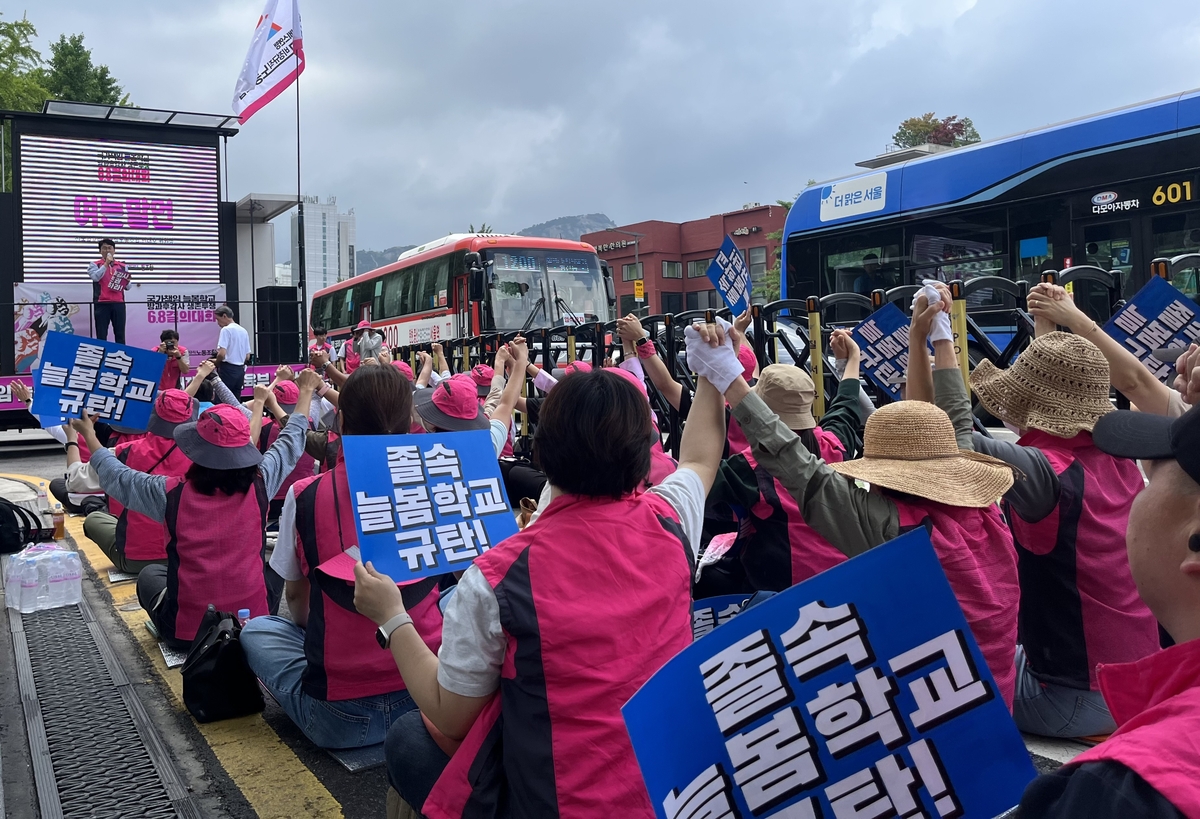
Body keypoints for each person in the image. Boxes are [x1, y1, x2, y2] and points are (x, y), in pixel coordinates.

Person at [357, 362, 726, 817]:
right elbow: (700, 458)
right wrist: (711, 371)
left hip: (555, 806)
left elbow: (450, 714)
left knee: (409, 737)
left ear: (544, 452)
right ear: (643, 449)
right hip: (671, 795)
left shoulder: (496, 575)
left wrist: (392, 618)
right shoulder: (672, 521)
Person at [687, 304, 1022, 709]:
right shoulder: (985, 506)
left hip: (930, 712)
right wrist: (941, 339)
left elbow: (800, 470)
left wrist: (727, 379)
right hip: (993, 693)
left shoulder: (894, 529)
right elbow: (958, 421)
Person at [962, 326, 1159, 738]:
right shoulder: (1119, 462)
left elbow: (960, 439)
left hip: (1070, 698)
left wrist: (940, 341)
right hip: (1136, 683)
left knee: (944, 675)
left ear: (1028, 404)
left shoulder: (1047, 472)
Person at [241, 365, 444, 749]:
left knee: (257, 631)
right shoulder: (435, 481)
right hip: (430, 699)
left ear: (342, 421)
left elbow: (298, 604)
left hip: (341, 718)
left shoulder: (306, 493)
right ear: (410, 422)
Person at [1015, 406, 1200, 818]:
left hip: (1070, 700)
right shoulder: (1108, 472)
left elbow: (951, 438)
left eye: (1152, 477)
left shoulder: (1117, 792)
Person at [76, 370, 320, 649]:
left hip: (185, 634)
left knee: (149, 576)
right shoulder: (262, 483)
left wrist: (86, 433)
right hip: (253, 625)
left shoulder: (168, 493)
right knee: (275, 565)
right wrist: (306, 393)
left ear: (196, 448)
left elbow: (116, 475)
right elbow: (291, 440)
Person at [705, 333, 863, 592]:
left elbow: (696, 476)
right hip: (846, 580)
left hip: (783, 594)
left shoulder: (750, 469)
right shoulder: (835, 445)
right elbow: (847, 404)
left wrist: (710, 376)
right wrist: (850, 359)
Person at [1028, 283, 1191, 418]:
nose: (1178, 376)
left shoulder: (1188, 419)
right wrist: (1047, 325)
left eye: (1193, 365)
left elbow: (1134, 383)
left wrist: (1073, 318)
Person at [83, 390, 196, 574]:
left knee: (94, 517)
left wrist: (79, 436)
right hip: (188, 557)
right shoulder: (204, 458)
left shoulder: (124, 451)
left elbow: (79, 480)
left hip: (137, 559)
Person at [88, 238, 131, 344]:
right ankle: (102, 357)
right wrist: (106, 264)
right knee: (101, 334)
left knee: (120, 334)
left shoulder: (122, 266)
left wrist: (128, 281)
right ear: (100, 251)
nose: (107, 250)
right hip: (102, 303)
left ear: (114, 250)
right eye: (104, 248)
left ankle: (120, 357)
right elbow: (95, 277)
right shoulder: (94, 264)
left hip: (119, 303)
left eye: (110, 248)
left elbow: (128, 287)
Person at [214, 305, 251, 398]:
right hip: (240, 370)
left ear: (224, 316)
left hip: (228, 369)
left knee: (222, 399)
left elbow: (222, 353)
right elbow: (247, 356)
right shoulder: (243, 331)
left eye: (218, 319)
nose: (217, 323)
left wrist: (216, 362)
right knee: (235, 400)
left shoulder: (226, 330)